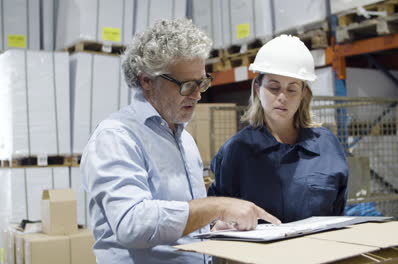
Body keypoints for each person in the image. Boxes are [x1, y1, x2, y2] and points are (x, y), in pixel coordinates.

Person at [80, 19, 280, 264]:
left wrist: (214, 226)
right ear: (147, 82)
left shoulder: (184, 139)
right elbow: (132, 224)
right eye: (186, 85)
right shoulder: (116, 138)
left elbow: (183, 221)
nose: (197, 95)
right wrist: (216, 207)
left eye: (202, 83)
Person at [208, 35, 349, 223]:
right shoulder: (236, 150)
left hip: (317, 250)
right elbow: (218, 213)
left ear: (303, 94)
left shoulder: (327, 146)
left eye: (292, 89)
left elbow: (338, 210)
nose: (282, 97)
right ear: (258, 89)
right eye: (274, 87)